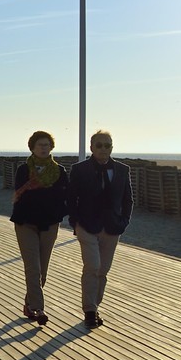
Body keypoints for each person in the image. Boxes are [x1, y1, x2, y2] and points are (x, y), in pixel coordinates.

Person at [66, 129, 132, 329]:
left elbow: (128, 200)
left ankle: (95, 307)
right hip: (87, 226)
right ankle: (89, 311)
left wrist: (123, 222)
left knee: (103, 270)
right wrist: (75, 222)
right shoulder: (80, 170)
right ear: (91, 147)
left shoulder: (122, 170)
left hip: (112, 228)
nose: (104, 149)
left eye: (108, 145)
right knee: (92, 266)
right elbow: (71, 198)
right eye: (99, 145)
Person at [9, 130, 68, 325]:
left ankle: (28, 304)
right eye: (39, 145)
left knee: (42, 270)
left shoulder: (59, 172)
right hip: (26, 222)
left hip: (50, 223)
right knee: (32, 267)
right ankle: (38, 308)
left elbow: (65, 196)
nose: (43, 148)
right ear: (32, 148)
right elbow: (21, 194)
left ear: (51, 147)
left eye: (46, 145)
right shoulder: (24, 170)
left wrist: (59, 211)